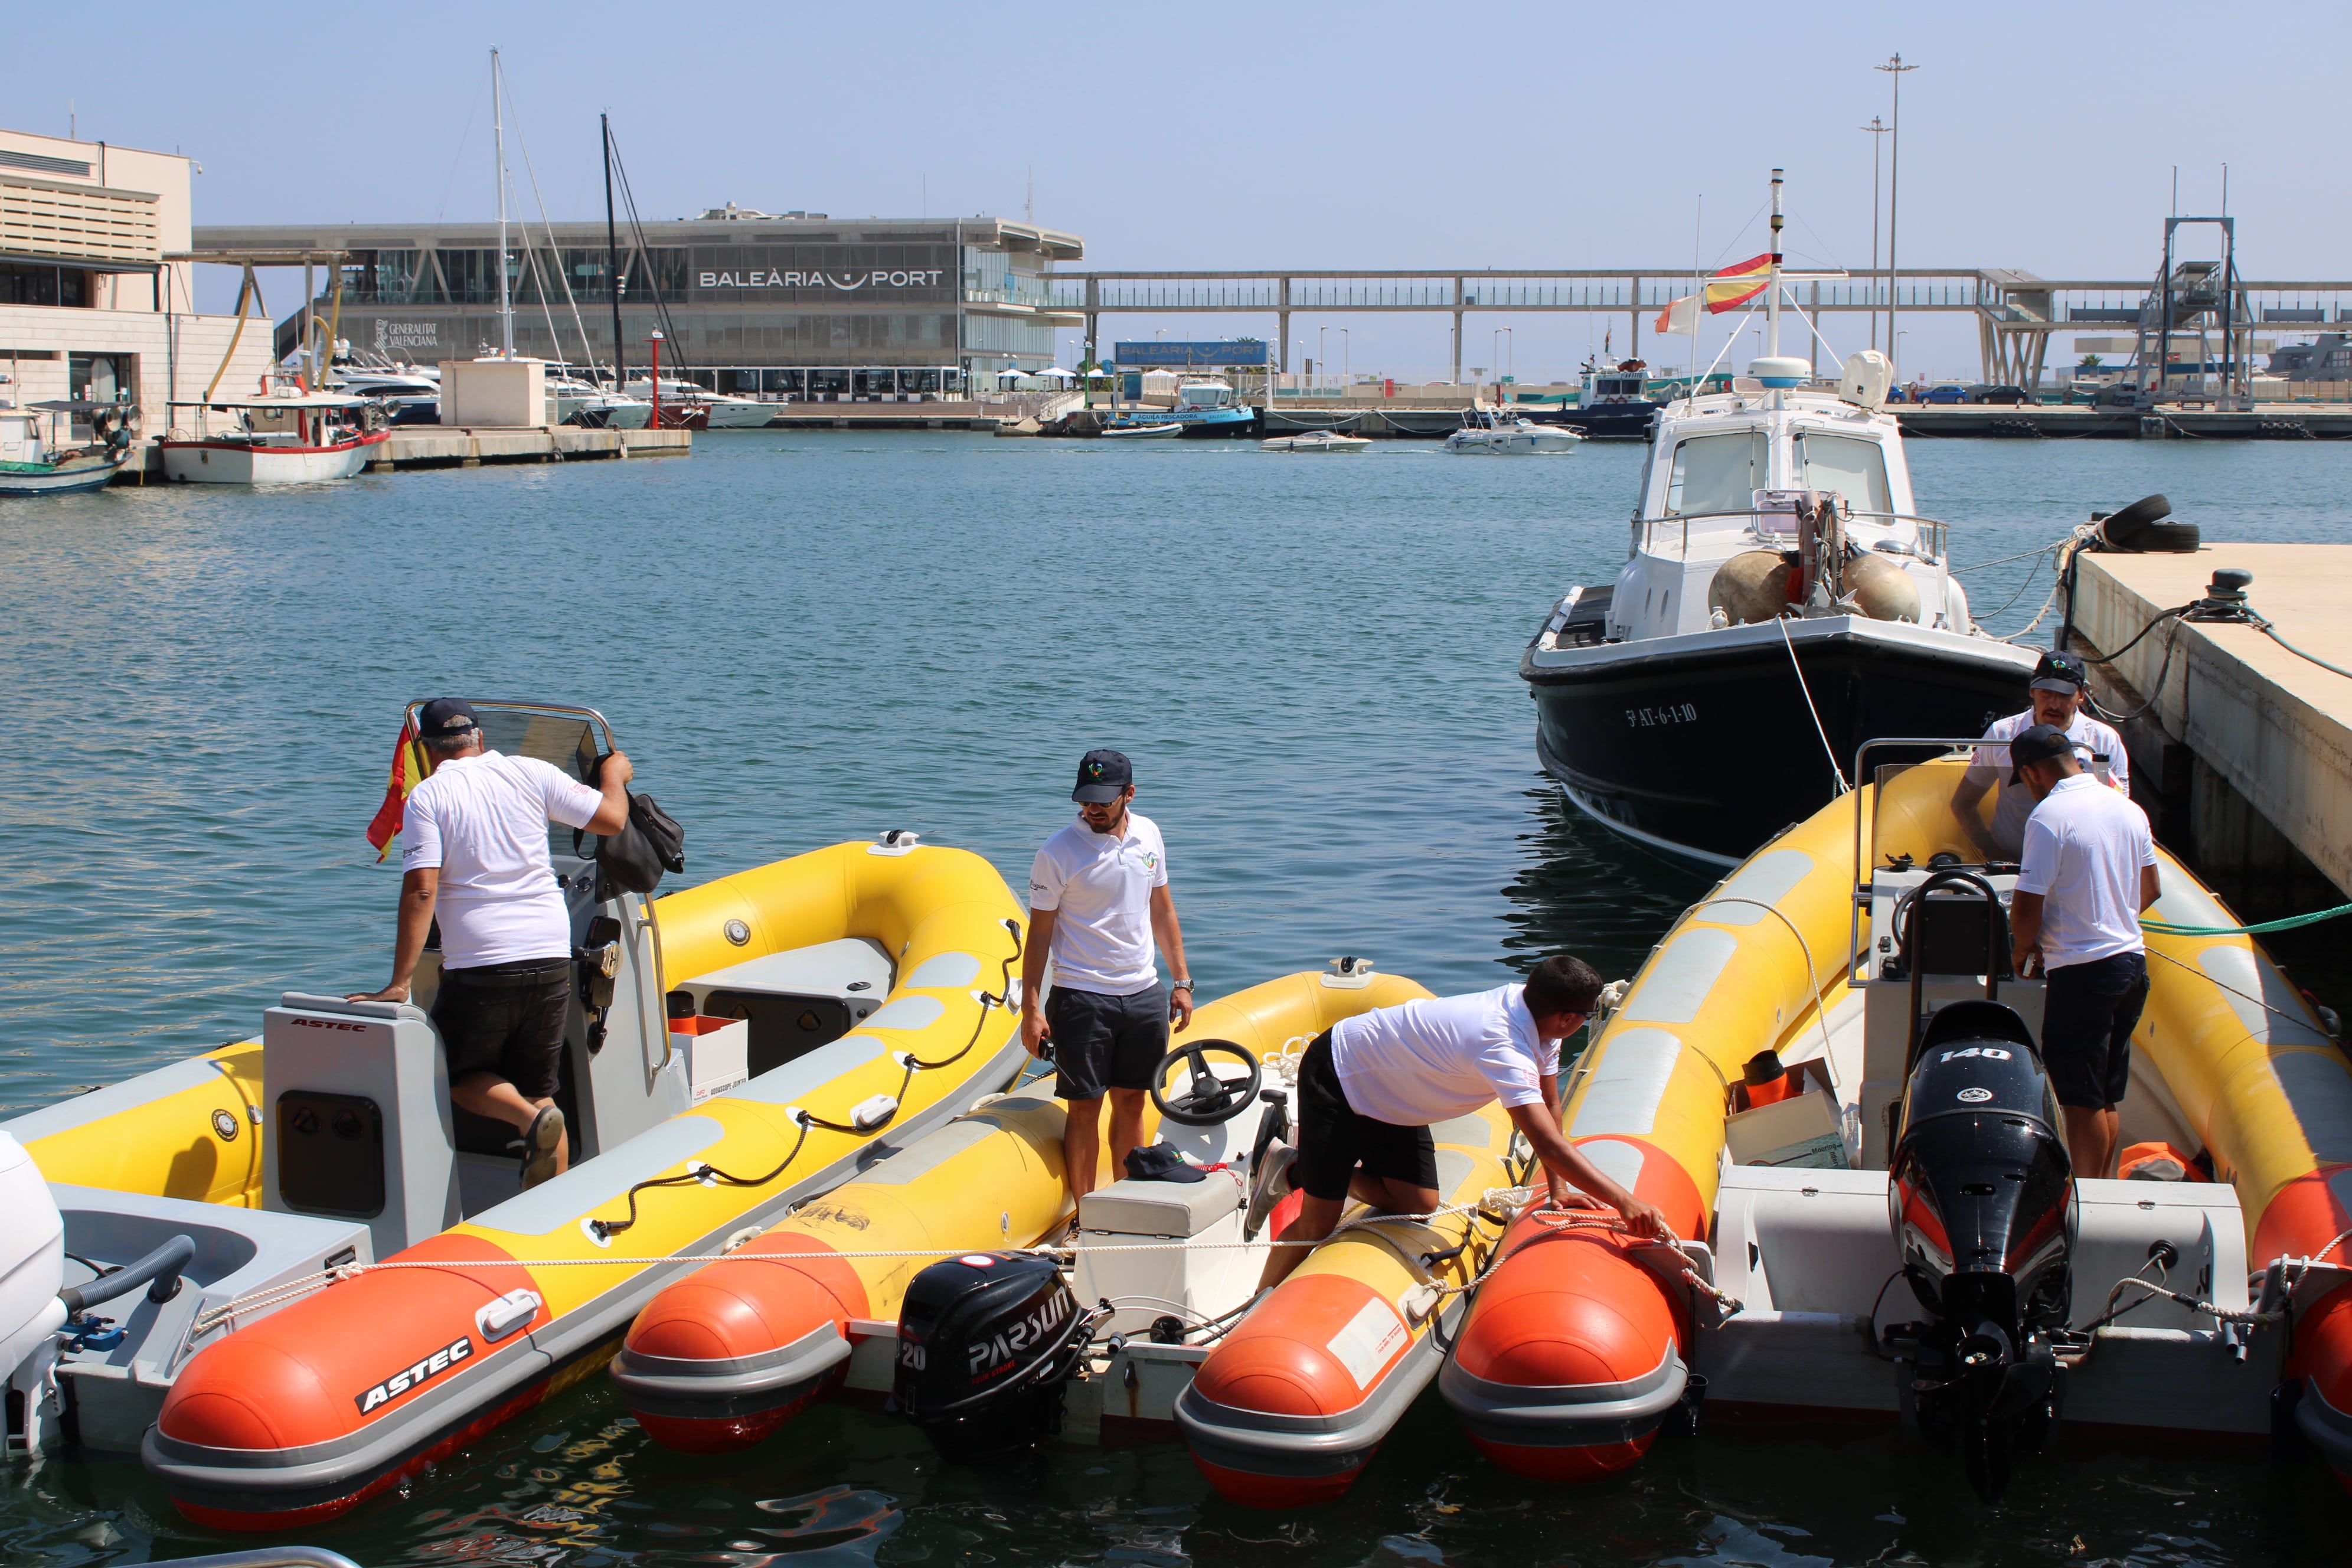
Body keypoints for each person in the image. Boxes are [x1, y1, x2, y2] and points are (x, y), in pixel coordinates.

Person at [1255, 955, 1671, 1293]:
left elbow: (1550, 1102)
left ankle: (1299, 1167)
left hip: (1396, 1094)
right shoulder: (1502, 1042)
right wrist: (1625, 1202)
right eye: (1587, 1014)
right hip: (1341, 1073)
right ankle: (1256, 1302)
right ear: (1566, 1017)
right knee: (1319, 1222)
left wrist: (1560, 1192)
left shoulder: (1542, 1021)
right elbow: (1545, 1141)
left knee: (1419, 1204)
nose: (1586, 1019)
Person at [351, 699, 632, 1188]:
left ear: (425, 751)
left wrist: (398, 984)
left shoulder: (429, 796)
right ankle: (549, 1202)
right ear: (480, 739)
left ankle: (526, 1122)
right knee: (543, 1094)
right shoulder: (530, 772)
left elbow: (422, 889)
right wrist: (615, 776)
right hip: (549, 953)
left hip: (483, 962)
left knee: (458, 1079)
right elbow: (611, 819)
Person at [1020, 749, 1193, 1197]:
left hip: (1143, 994)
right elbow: (1038, 937)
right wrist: (1031, 1010)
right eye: (1085, 800)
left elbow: (1163, 910)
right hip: (1081, 997)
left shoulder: (1150, 835)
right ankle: (1087, 1214)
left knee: (1133, 1103)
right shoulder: (1057, 853)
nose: (1091, 809)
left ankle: (1127, 1201)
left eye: (1102, 800)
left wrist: (1181, 982)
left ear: (1129, 794)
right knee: (1084, 1111)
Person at [2005, 723, 2161, 1180]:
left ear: (2033, 773)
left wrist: (2022, 951)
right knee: (2103, 1093)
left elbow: (2026, 907)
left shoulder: (2049, 816)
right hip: (2131, 966)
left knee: (2077, 1097)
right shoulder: (2127, 808)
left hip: (2084, 974)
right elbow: (2150, 889)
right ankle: (2101, 1189)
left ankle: (2085, 1197)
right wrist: (2104, 914)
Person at [1953, 650, 2131, 861]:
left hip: (2077, 864)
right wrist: (1991, 851)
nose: (2054, 704)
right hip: (2012, 862)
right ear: (2032, 690)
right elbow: (1963, 803)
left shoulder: (2104, 740)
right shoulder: (2001, 734)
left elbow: (2119, 811)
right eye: (2046, 692)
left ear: (2081, 696)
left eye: (2065, 695)